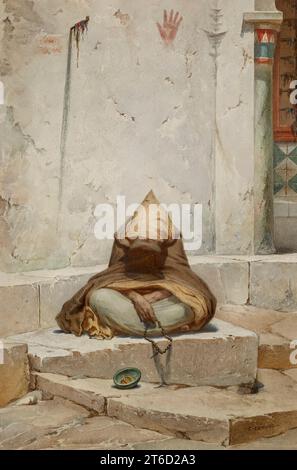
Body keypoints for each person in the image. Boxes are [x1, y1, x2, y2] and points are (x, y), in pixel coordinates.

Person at [56, 191, 216, 342]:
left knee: (191, 305)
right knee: (98, 297)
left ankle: (137, 325)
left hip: (163, 301)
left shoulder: (171, 241)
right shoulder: (124, 241)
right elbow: (112, 278)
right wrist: (135, 297)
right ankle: (149, 326)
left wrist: (155, 296)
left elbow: (182, 279)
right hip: (126, 301)